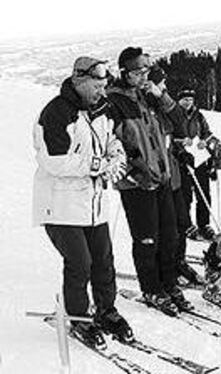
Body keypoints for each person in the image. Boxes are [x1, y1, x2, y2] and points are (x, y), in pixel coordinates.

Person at [33, 56, 133, 348]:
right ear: (80, 82)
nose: (102, 92)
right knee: (80, 263)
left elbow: (112, 140)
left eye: (104, 86)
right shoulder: (56, 113)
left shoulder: (102, 110)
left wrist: (117, 156)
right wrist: (98, 165)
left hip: (93, 204)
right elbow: (54, 161)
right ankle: (78, 318)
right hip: (60, 206)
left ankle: (106, 310)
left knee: (103, 261)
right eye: (97, 86)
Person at [107, 47, 192, 316]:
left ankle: (168, 284)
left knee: (170, 236)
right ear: (124, 73)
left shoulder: (149, 97)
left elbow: (180, 125)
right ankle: (152, 288)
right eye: (137, 71)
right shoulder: (114, 102)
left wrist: (161, 95)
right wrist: (136, 172)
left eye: (146, 70)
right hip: (137, 183)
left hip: (162, 177)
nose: (144, 76)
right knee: (147, 239)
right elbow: (115, 144)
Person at [146, 68, 204, 286]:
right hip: (159, 177)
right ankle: (165, 269)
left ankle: (178, 262)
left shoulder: (164, 106)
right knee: (165, 229)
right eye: (160, 85)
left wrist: (181, 151)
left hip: (175, 175)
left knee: (182, 223)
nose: (164, 88)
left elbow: (179, 124)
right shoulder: (146, 109)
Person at [174, 86, 221, 242]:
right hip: (181, 159)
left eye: (190, 100)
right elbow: (167, 136)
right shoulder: (174, 115)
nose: (188, 103)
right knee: (185, 195)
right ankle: (186, 224)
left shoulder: (198, 116)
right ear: (179, 100)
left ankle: (204, 224)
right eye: (185, 100)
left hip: (199, 159)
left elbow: (207, 134)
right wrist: (181, 142)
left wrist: (204, 142)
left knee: (203, 193)